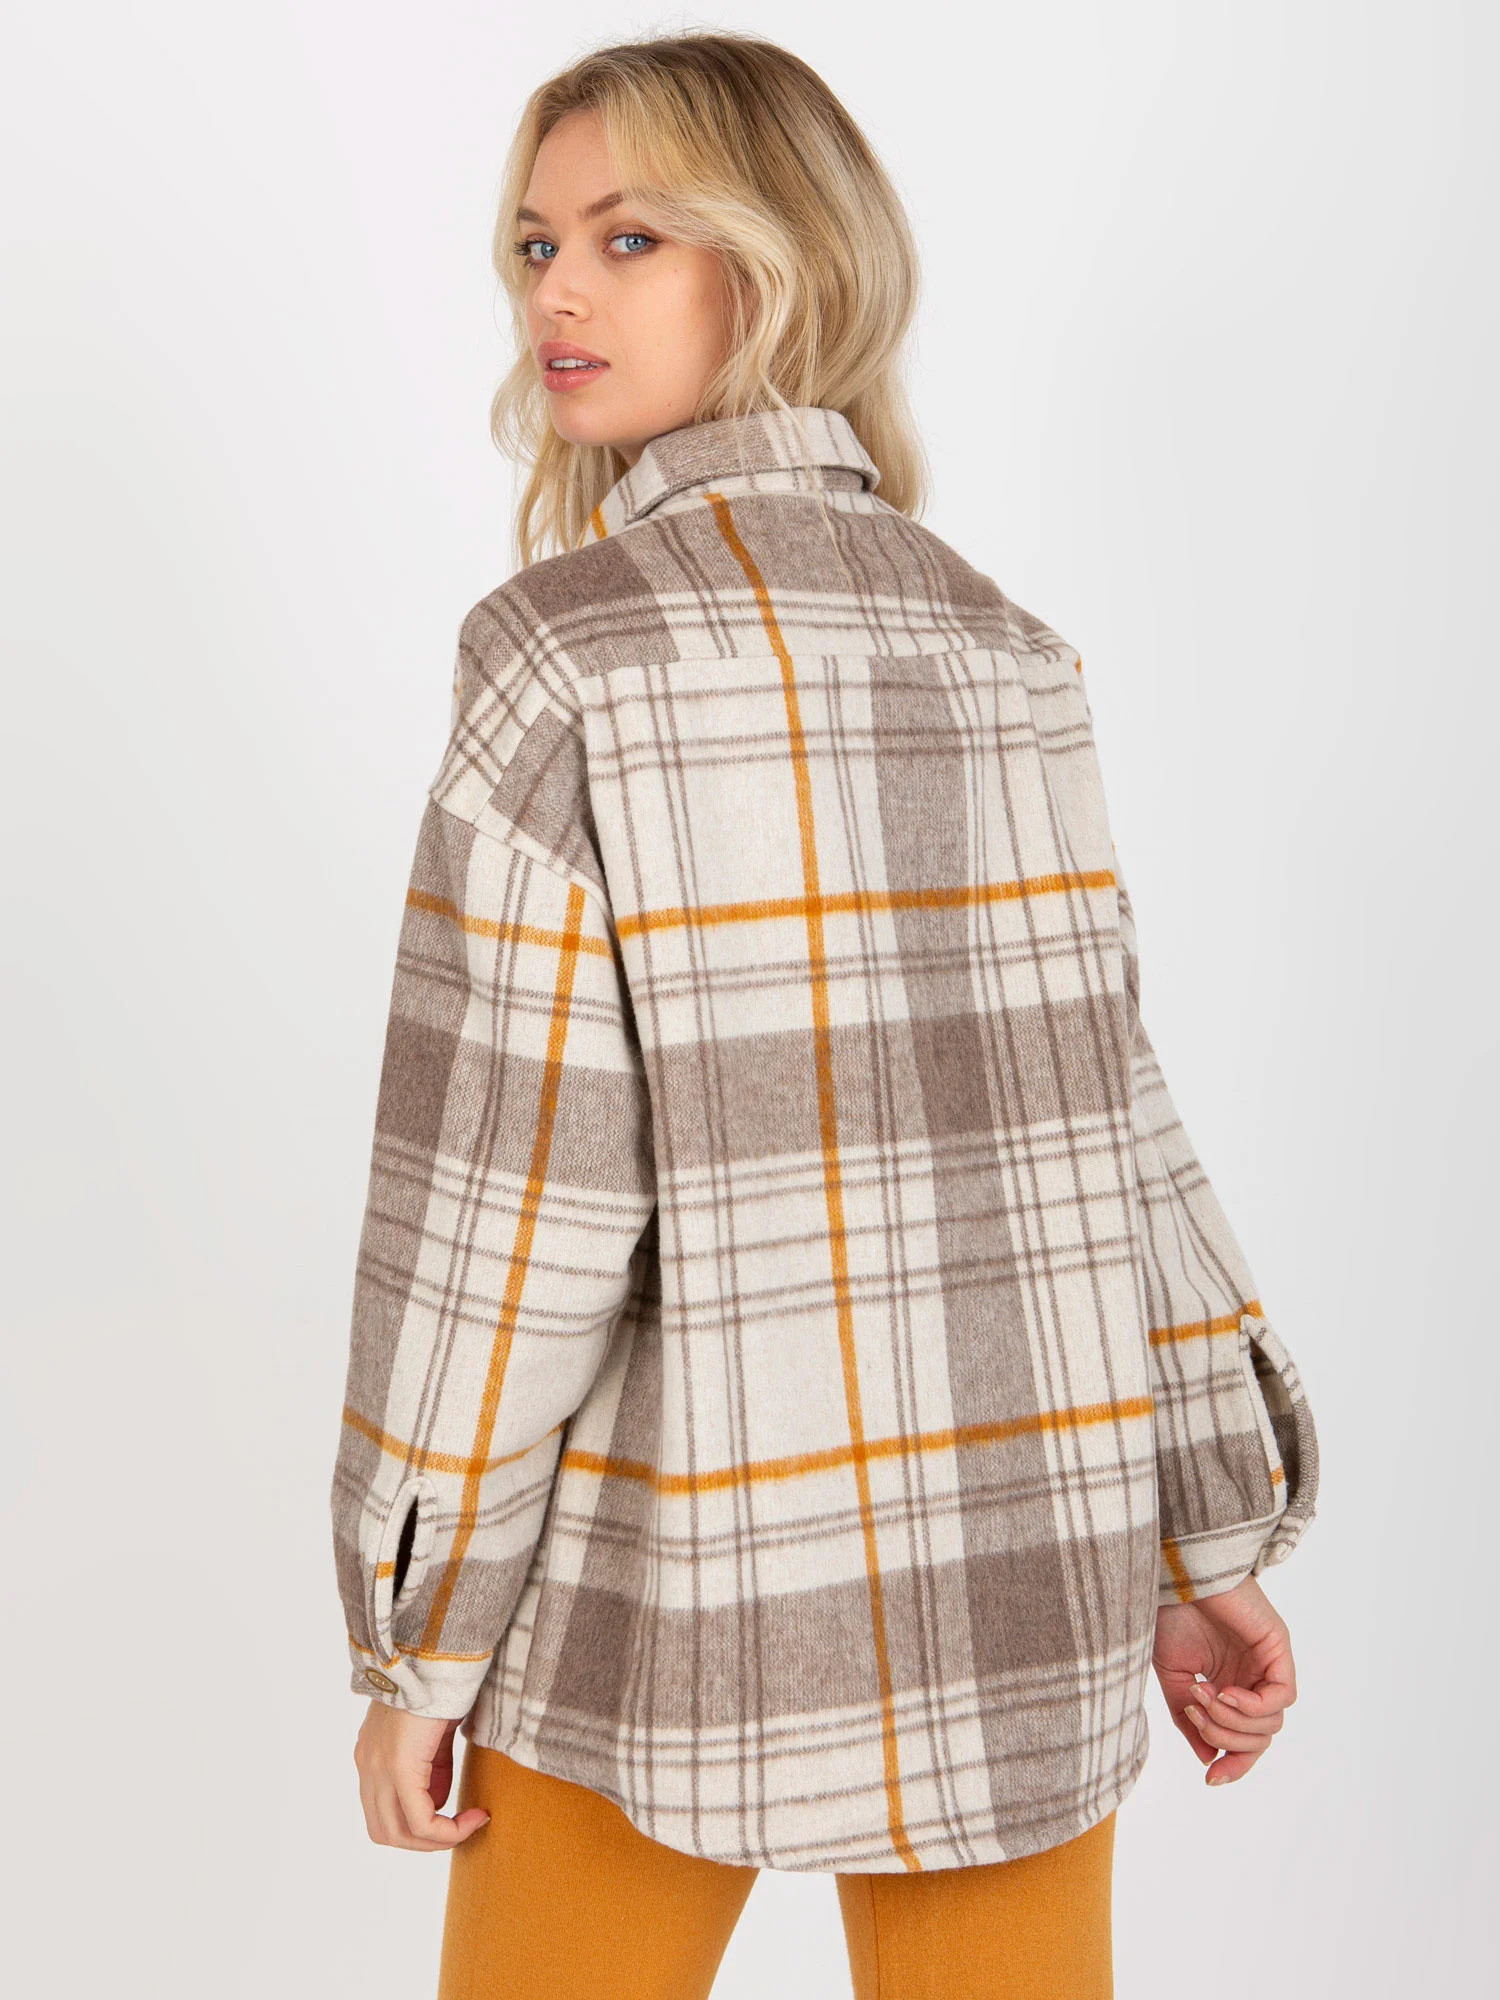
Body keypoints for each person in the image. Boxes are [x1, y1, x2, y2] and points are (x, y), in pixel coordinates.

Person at [328, 30, 1320, 2000]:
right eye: (535, 244)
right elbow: (1117, 1129)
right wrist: (1205, 1538)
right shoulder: (1004, 649)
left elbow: (504, 1214)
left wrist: (418, 1640)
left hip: (663, 1572)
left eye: (629, 237)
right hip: (1022, 1555)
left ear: (780, 261)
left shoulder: (563, 661)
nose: (557, 291)